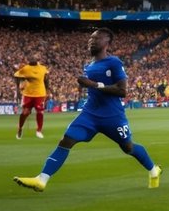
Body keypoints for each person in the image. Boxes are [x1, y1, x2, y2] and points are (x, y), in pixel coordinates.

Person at [13, 28, 160, 192]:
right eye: (91, 38)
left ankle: (154, 170)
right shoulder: (88, 66)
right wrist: (85, 85)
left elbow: (122, 91)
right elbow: (92, 88)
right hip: (89, 114)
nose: (92, 40)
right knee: (66, 141)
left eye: (97, 38)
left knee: (128, 148)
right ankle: (42, 179)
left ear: (107, 42)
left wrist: (94, 84)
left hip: (112, 116)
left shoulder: (114, 62)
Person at [13, 55, 50, 139]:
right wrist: (18, 89)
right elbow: (16, 76)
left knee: (40, 112)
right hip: (28, 94)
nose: (32, 60)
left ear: (37, 60)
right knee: (25, 113)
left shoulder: (42, 68)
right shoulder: (25, 69)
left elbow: (46, 79)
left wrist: (47, 91)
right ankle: (20, 128)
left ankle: (39, 130)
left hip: (40, 93)